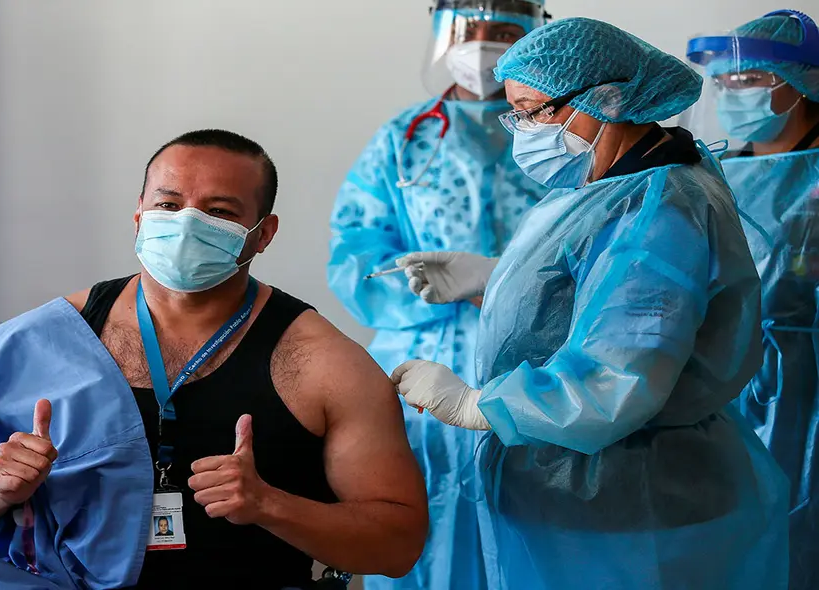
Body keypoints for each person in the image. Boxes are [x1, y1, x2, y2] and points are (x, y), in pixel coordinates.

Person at [0, 129, 429, 590]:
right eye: (169, 206)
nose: (187, 224)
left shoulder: (324, 364)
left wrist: (271, 505)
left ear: (262, 234)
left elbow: (397, 544)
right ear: (139, 218)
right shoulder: (36, 344)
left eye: (219, 212)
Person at [390, 18, 790, 590]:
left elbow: (616, 378)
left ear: (605, 98)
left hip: (635, 496)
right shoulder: (613, 187)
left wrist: (480, 406)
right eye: (515, 114)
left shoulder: (658, 208)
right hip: (596, 497)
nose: (521, 130)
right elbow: (605, 304)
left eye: (533, 111)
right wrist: (496, 281)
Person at [327, 2, 549, 588]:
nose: (482, 47)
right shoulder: (403, 140)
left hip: (536, 353)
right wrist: (428, 292)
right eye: (467, 33)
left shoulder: (559, 139)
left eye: (502, 34)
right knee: (418, 505)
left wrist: (505, 291)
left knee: (533, 519)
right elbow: (355, 252)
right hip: (416, 362)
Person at [684, 10, 819, 590]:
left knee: (800, 520)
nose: (732, 93)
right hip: (720, 377)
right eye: (724, 81)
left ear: (803, 81)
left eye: (751, 79)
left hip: (807, 383)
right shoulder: (714, 172)